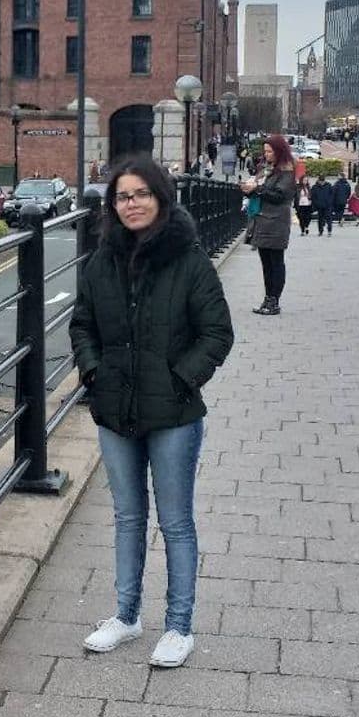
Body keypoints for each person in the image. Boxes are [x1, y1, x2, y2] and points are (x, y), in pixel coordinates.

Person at [70, 154, 233, 667]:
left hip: (174, 414)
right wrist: (94, 372)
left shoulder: (188, 259)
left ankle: (180, 626)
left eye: (140, 193)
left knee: (176, 520)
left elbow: (217, 333)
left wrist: (180, 379)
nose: (131, 204)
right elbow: (81, 325)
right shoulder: (102, 261)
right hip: (115, 409)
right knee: (127, 515)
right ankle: (126, 614)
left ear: (161, 197)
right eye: (121, 196)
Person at [240, 134, 296, 313]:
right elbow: (259, 190)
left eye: (270, 151)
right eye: (265, 151)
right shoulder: (264, 169)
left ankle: (274, 300)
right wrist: (249, 189)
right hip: (262, 220)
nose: (267, 155)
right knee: (265, 262)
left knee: (275, 261)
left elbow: (280, 196)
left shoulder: (286, 171)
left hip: (276, 220)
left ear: (279, 152)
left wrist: (258, 189)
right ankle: (267, 298)